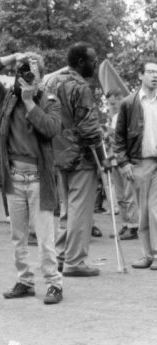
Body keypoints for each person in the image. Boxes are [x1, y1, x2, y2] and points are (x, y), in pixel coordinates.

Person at [0, 51, 63, 304]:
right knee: (18, 237)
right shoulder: (6, 99)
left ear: (41, 77)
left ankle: (54, 284)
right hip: (13, 178)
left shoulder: (50, 101)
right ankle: (25, 281)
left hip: (39, 180)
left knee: (45, 237)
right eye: (22, 70)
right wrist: (12, 57)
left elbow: (50, 128)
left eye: (31, 70)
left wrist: (29, 102)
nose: (25, 74)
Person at [47, 42, 106, 277]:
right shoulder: (80, 87)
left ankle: (61, 255)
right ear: (81, 62)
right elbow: (90, 129)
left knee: (67, 210)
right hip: (81, 157)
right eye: (93, 60)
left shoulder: (53, 82)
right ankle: (75, 261)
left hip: (58, 154)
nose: (96, 63)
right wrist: (103, 159)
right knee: (80, 210)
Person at [114, 57, 157, 269]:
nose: (155, 75)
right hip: (139, 162)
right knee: (143, 211)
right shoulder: (129, 103)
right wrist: (123, 163)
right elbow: (119, 137)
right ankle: (148, 254)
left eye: (156, 72)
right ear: (140, 75)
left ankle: (155, 255)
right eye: (150, 71)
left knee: (155, 208)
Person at [105, 89, 139, 240]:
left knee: (129, 194)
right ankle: (125, 224)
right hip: (113, 160)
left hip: (125, 160)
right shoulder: (112, 117)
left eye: (113, 103)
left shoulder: (128, 115)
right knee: (120, 195)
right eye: (108, 103)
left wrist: (112, 135)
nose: (110, 106)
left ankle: (134, 226)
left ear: (121, 100)